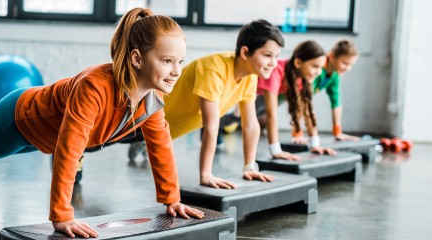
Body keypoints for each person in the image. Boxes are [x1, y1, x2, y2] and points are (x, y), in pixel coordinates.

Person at [0, 8, 203, 238]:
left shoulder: (151, 102)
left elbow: (160, 147)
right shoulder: (95, 86)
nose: (176, 71)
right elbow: (70, 150)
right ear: (137, 58)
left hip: (42, 136)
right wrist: (61, 215)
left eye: (181, 62)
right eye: (167, 61)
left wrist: (171, 199)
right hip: (19, 117)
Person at [129, 19, 283, 189]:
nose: (273, 63)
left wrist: (250, 166)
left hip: (164, 130)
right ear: (246, 53)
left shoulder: (250, 76)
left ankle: (142, 144)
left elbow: (251, 124)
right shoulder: (213, 69)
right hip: (140, 118)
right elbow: (210, 126)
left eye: (276, 56)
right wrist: (206, 175)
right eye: (268, 55)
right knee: (98, 142)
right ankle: (139, 142)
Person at [256, 40, 336, 160]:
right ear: (298, 62)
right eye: (315, 66)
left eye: (321, 67)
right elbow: (271, 113)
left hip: (260, 96)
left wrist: (314, 145)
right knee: (231, 118)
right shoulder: (276, 71)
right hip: (246, 95)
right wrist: (276, 151)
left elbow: (307, 110)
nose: (319, 73)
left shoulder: (302, 78)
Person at [309, 39, 360, 142]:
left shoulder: (335, 75)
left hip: (287, 98)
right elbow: (304, 101)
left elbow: (336, 103)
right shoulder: (317, 68)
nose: (348, 68)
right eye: (345, 63)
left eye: (351, 65)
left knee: (266, 119)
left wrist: (337, 132)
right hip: (276, 92)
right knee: (267, 117)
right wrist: (297, 134)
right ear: (331, 56)